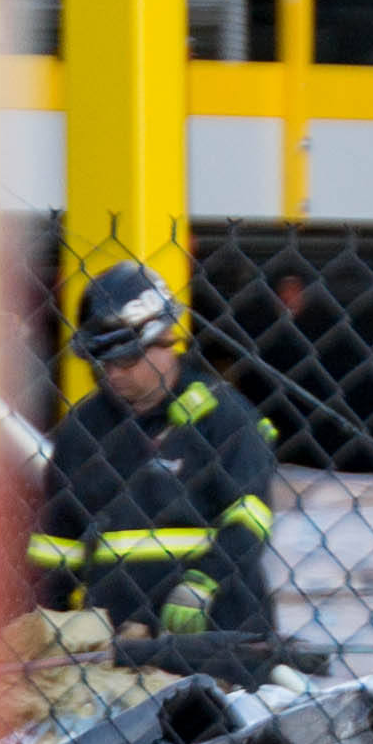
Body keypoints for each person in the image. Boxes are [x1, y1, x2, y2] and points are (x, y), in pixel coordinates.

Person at [29, 263, 281, 649]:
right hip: (120, 645)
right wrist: (46, 622)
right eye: (102, 362)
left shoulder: (222, 416)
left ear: (164, 340)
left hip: (219, 637)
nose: (113, 373)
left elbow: (251, 517)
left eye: (126, 360)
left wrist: (204, 582)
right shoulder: (84, 430)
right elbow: (57, 545)